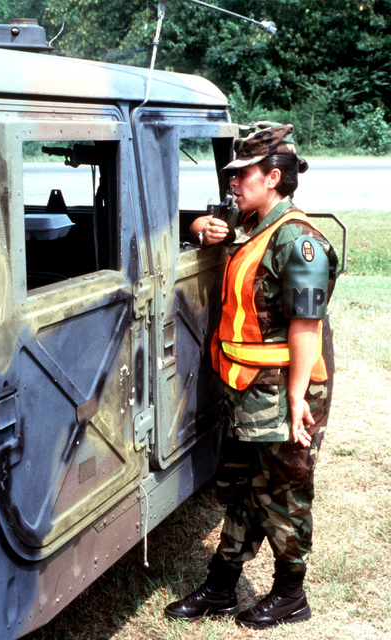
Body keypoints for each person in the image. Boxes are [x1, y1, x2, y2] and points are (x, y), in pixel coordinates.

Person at [164, 121, 338, 630]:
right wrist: (201, 228)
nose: (233, 181)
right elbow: (198, 226)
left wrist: (297, 398)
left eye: (244, 173)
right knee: (242, 487)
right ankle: (221, 587)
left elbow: (307, 325)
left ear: (275, 177)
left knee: (283, 489)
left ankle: (290, 594)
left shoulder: (296, 240)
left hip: (283, 390)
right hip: (246, 388)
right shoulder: (252, 224)